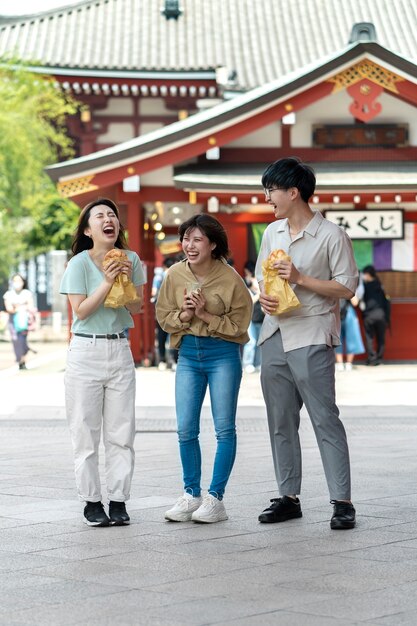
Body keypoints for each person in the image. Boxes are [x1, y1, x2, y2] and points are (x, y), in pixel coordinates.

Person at [255, 157, 358, 530]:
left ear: (293, 192)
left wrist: (300, 277)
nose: (268, 197)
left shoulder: (332, 235)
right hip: (273, 334)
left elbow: (346, 286)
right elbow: (261, 277)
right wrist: (263, 295)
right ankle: (288, 497)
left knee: (324, 419)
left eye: (272, 190)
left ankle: (342, 502)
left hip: (312, 334)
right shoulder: (272, 233)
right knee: (280, 420)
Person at [156, 214, 252, 523]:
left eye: (197, 239)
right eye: (186, 238)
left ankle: (215, 499)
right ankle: (190, 494)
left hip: (223, 354)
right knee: (185, 428)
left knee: (224, 428)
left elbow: (240, 326)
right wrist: (185, 315)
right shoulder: (174, 275)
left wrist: (205, 314)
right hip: (188, 355)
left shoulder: (231, 279)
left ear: (212, 244)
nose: (189, 245)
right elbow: (163, 316)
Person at [60, 198, 145, 527]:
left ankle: (119, 500)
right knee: (85, 431)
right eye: (100, 216)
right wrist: (108, 281)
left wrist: (125, 281)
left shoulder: (132, 259)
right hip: (84, 352)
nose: (108, 219)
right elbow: (80, 311)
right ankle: (92, 501)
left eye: (112, 215)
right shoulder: (78, 264)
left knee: (122, 432)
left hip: (119, 348)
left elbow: (136, 308)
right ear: (87, 229)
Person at [3, 274, 36, 370]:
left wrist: (18, 307)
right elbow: (9, 308)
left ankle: (23, 360)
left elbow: (31, 306)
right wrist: (20, 307)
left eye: (19, 280)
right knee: (15, 340)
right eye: (15, 281)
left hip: (24, 321)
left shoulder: (27, 293)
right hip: (13, 321)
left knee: (22, 339)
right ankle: (19, 359)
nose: (17, 283)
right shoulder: (8, 294)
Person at [359, 265, 390, 366]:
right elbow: (386, 301)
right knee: (381, 338)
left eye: (364, 274)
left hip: (369, 316)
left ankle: (372, 359)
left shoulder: (364, 286)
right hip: (381, 315)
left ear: (368, 274)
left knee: (369, 338)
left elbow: (360, 299)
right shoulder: (380, 285)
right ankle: (380, 359)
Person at [151, 257, 178, 370]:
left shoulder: (159, 276)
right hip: (176, 311)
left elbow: (153, 292)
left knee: (161, 336)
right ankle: (175, 360)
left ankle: (162, 360)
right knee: (175, 335)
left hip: (161, 311)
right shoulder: (177, 275)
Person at [242, 261, 264, 373]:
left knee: (260, 341)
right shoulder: (246, 283)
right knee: (251, 341)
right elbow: (248, 302)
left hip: (260, 316)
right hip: (250, 317)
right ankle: (248, 363)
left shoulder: (261, 280)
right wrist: (259, 293)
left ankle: (258, 363)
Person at [335, 296, 365, 371]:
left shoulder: (334, 285)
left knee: (338, 338)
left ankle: (341, 363)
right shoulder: (349, 286)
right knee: (351, 337)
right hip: (348, 312)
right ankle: (347, 363)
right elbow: (355, 302)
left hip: (337, 312)